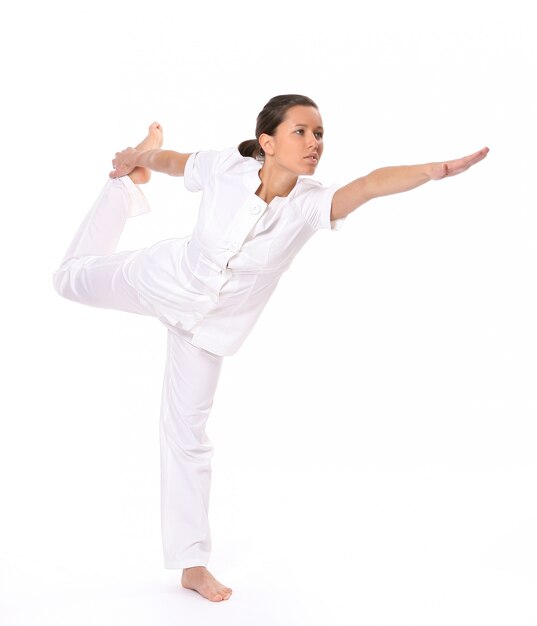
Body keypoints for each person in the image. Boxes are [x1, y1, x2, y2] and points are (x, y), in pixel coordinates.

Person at [53, 94, 489, 603]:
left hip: (206, 331)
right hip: (163, 279)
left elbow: (370, 184)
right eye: (301, 132)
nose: (314, 143)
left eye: (320, 133)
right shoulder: (228, 167)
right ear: (267, 141)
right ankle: (121, 185)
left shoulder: (308, 206)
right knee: (66, 279)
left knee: (187, 436)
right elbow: (175, 163)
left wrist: (434, 170)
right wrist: (140, 157)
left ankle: (192, 565)